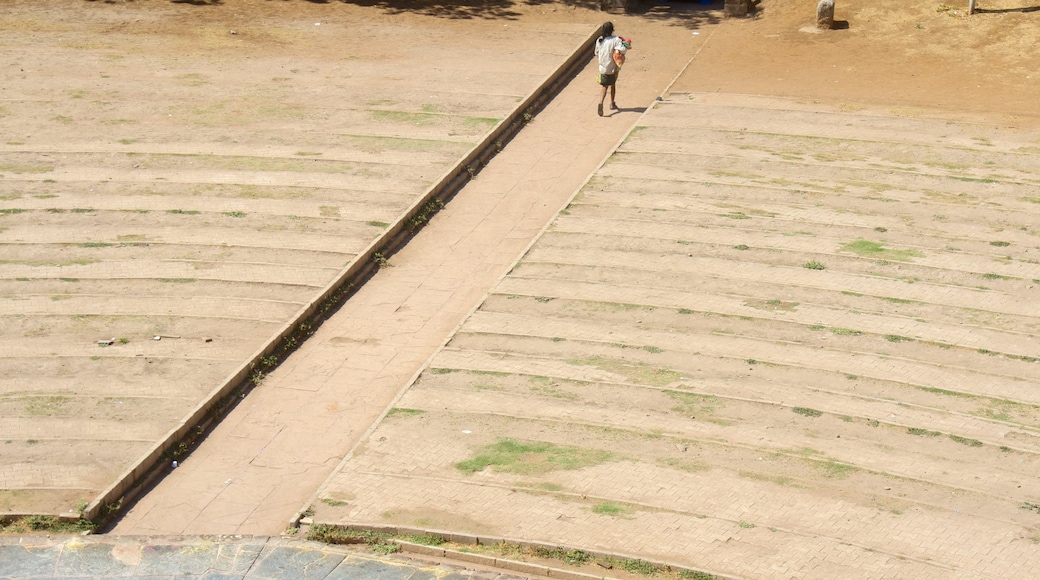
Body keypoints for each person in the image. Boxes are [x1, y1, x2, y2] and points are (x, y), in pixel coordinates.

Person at [594, 22, 628, 117]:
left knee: (608, 85)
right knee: (609, 85)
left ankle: (606, 102)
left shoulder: (599, 40)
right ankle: (607, 102)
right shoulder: (616, 40)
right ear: (612, 29)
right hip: (612, 67)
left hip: (602, 67)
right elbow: (623, 50)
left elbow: (596, 53)